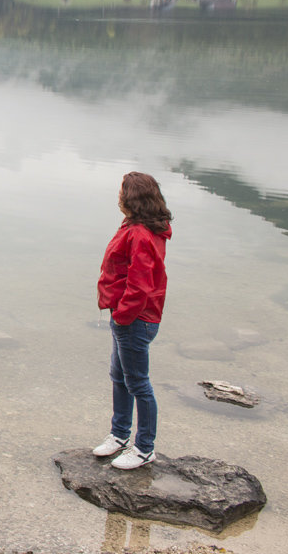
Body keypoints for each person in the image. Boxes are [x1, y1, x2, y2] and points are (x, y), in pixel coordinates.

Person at [92, 172, 172, 469]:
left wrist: (122, 317)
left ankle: (144, 448)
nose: (118, 196)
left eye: (121, 192)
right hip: (128, 316)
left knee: (138, 383)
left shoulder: (140, 234)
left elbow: (140, 284)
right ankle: (119, 434)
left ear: (131, 198)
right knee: (119, 377)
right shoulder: (136, 226)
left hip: (135, 319)